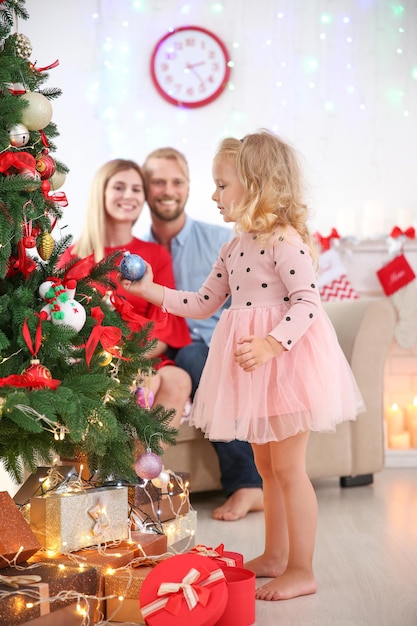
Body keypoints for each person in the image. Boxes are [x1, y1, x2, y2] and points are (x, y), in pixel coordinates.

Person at [119, 130, 365, 601]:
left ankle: (301, 568)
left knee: (290, 469)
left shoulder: (284, 241)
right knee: (266, 466)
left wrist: (273, 345)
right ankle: (275, 556)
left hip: (287, 364)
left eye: (221, 185)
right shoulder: (233, 248)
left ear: (256, 185)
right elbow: (203, 301)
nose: (213, 195)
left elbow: (307, 302)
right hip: (253, 369)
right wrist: (151, 291)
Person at [142, 146, 263, 522]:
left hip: (216, 344)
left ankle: (247, 484)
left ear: (189, 187)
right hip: (167, 349)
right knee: (182, 360)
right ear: (146, 188)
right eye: (158, 181)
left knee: (197, 357)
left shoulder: (220, 239)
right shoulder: (138, 251)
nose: (168, 189)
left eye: (177, 181)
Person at [59, 158, 192, 434]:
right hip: (92, 362)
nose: (129, 196)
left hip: (144, 357)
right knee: (145, 383)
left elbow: (165, 327)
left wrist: (133, 359)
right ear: (102, 193)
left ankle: (146, 473)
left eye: (136, 189)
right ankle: (123, 472)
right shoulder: (73, 258)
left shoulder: (155, 256)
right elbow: (62, 326)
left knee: (178, 379)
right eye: (119, 187)